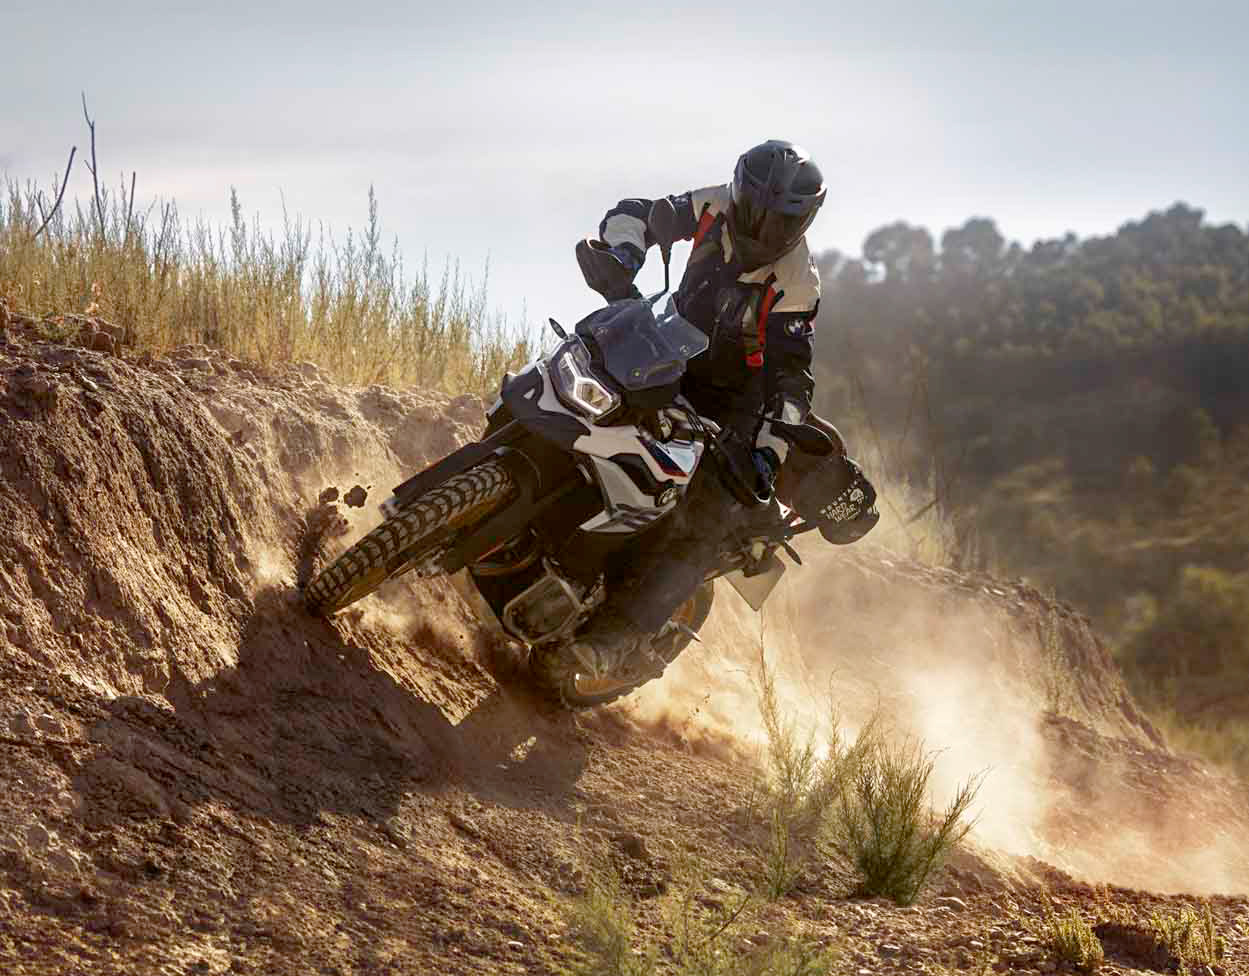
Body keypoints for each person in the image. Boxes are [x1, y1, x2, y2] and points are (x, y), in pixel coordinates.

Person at [570, 139, 877, 677]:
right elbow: (638, 215)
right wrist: (622, 256)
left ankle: (611, 639)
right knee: (580, 377)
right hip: (667, 349)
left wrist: (765, 456)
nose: (763, 226)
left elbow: (791, 383)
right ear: (738, 192)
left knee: (708, 515)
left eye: (781, 220)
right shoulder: (712, 205)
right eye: (755, 208)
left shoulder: (797, 283)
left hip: (732, 405)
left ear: (804, 221)